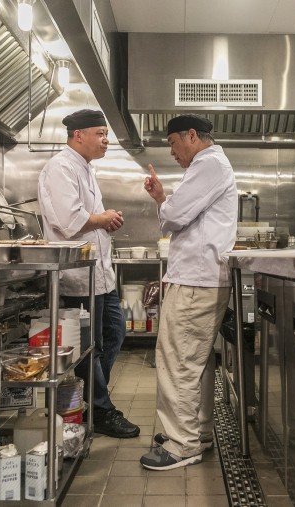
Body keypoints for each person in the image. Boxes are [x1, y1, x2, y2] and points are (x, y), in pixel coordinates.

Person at [139, 114, 238, 470]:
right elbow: (174, 216)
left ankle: (182, 445)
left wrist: (166, 201)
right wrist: (165, 201)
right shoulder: (210, 166)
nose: (172, 152)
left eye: (172, 143)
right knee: (195, 362)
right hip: (200, 280)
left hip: (196, 282)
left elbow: (175, 216)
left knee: (178, 361)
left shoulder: (208, 164)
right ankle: (197, 432)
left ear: (191, 136)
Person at [37, 109, 139, 439]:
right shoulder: (61, 167)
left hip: (100, 276)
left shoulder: (85, 168)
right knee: (89, 346)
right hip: (78, 278)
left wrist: (106, 220)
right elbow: (69, 220)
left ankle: (86, 399)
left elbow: (89, 217)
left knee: (114, 332)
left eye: (106, 134)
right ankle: (99, 407)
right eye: (100, 133)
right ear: (78, 135)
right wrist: (103, 217)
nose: (106, 140)